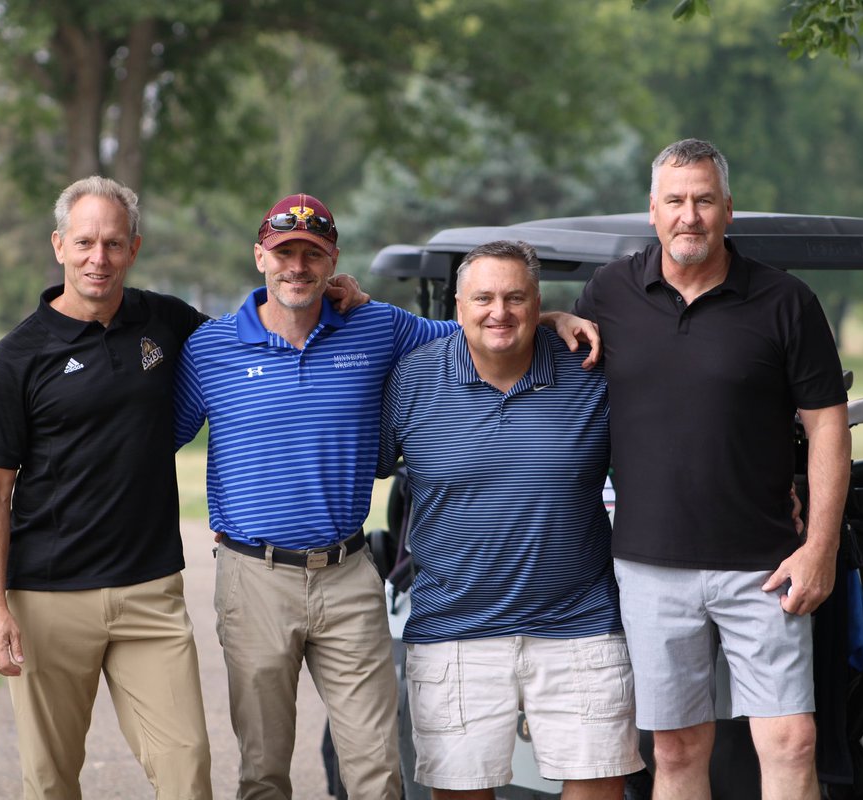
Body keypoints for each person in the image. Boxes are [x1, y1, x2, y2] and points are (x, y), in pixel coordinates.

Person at [172, 194, 598, 800]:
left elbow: (484, 330)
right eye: (284, 252)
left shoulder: (377, 327)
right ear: (260, 256)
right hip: (253, 573)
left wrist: (552, 317)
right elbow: (156, 437)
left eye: (312, 255)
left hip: (346, 573)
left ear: (332, 262)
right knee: (263, 769)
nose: (298, 267)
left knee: (376, 769)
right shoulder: (210, 349)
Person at [574, 139, 852, 800]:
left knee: (792, 740)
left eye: (704, 200)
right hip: (650, 564)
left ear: (728, 209)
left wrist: (820, 547)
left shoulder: (786, 302)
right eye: (675, 200)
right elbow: (511, 332)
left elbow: (827, 426)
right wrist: (557, 316)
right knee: (676, 749)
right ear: (652, 210)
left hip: (765, 564)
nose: (689, 215)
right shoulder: (608, 294)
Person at [0, 176, 216, 799]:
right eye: (84, 242)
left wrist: (328, 297)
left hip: (149, 590)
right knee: (50, 782)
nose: (97, 258)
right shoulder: (15, 358)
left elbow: (252, 343)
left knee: (188, 771)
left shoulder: (166, 320)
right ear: (58, 246)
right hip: (48, 597)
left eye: (112, 243)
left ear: (134, 248)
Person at [376, 240, 645, 799]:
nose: (499, 311)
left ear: (538, 301)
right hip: (453, 633)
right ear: (457, 306)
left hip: (580, 629)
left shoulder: (591, 368)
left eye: (515, 297)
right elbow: (351, 463)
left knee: (599, 788)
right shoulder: (411, 379)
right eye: (484, 297)